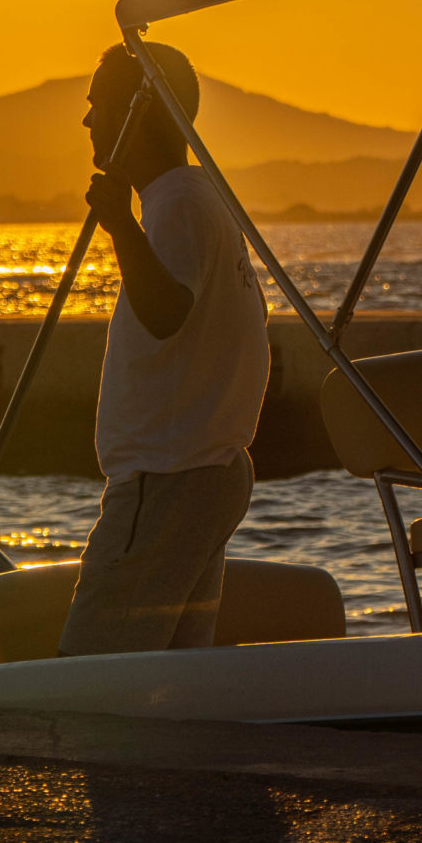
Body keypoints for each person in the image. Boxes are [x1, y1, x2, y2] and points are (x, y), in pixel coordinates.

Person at [57, 40, 271, 655]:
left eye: (98, 104)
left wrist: (120, 224)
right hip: (207, 472)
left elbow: (167, 314)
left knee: (94, 669)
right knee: (173, 668)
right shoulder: (201, 197)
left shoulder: (174, 204)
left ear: (137, 112)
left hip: (168, 478)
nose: (87, 120)